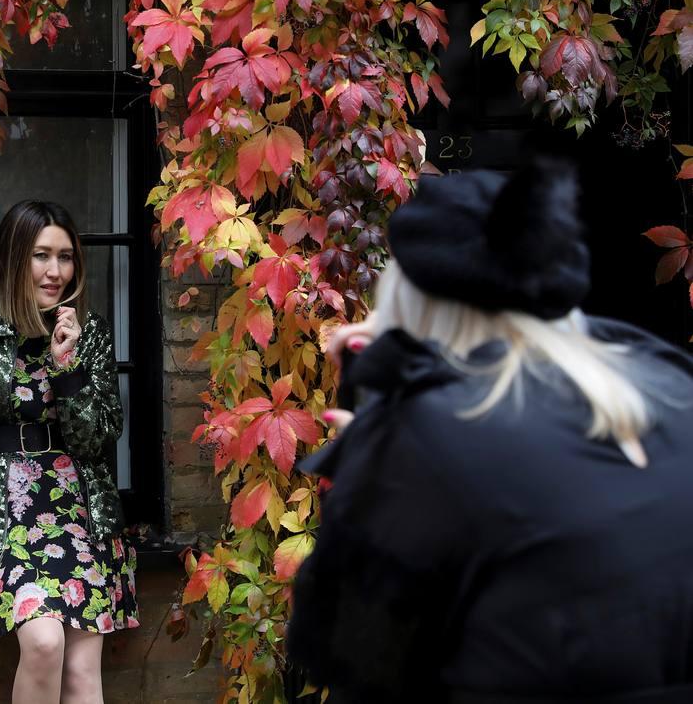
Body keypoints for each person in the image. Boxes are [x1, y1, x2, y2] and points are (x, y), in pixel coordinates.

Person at [287, 160, 693, 704]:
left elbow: (338, 654)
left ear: (410, 303)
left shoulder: (426, 442)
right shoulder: (669, 385)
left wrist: (375, 445)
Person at [0, 199, 138, 704]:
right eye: (41, 255)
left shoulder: (89, 332)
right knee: (43, 643)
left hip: (78, 507)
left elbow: (98, 439)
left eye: (65, 257)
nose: (55, 271)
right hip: (1, 509)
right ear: (16, 257)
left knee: (83, 670)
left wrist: (68, 367)